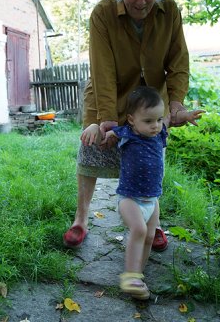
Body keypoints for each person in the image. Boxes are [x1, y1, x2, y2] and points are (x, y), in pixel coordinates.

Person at [63, 0, 190, 251]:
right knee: (91, 153)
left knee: (149, 157)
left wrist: (176, 104)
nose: (142, 0)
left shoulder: (169, 11)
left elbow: (179, 61)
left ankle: (152, 223)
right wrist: (106, 119)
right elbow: (103, 69)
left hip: (150, 102)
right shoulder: (102, 14)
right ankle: (81, 219)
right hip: (108, 96)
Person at [80, 86, 204, 299]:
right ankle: (130, 277)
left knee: (148, 236)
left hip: (152, 200)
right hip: (130, 198)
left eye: (157, 120)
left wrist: (183, 114)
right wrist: (93, 126)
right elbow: (103, 136)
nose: (155, 126)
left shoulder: (159, 131)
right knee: (138, 229)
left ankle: (138, 273)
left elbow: (170, 120)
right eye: (148, 121)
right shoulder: (126, 134)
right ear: (131, 120)